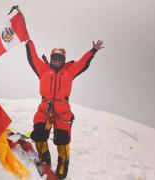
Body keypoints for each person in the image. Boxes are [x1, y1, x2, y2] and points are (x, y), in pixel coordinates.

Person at [25, 38, 104, 179]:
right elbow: (33, 58)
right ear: (50, 59)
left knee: (62, 140)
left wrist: (93, 51)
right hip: (44, 109)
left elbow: (82, 64)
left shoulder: (69, 72)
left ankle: (61, 172)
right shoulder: (43, 69)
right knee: (39, 134)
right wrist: (28, 42)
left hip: (63, 112)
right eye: (54, 58)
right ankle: (44, 163)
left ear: (63, 60)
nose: (56, 61)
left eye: (59, 59)